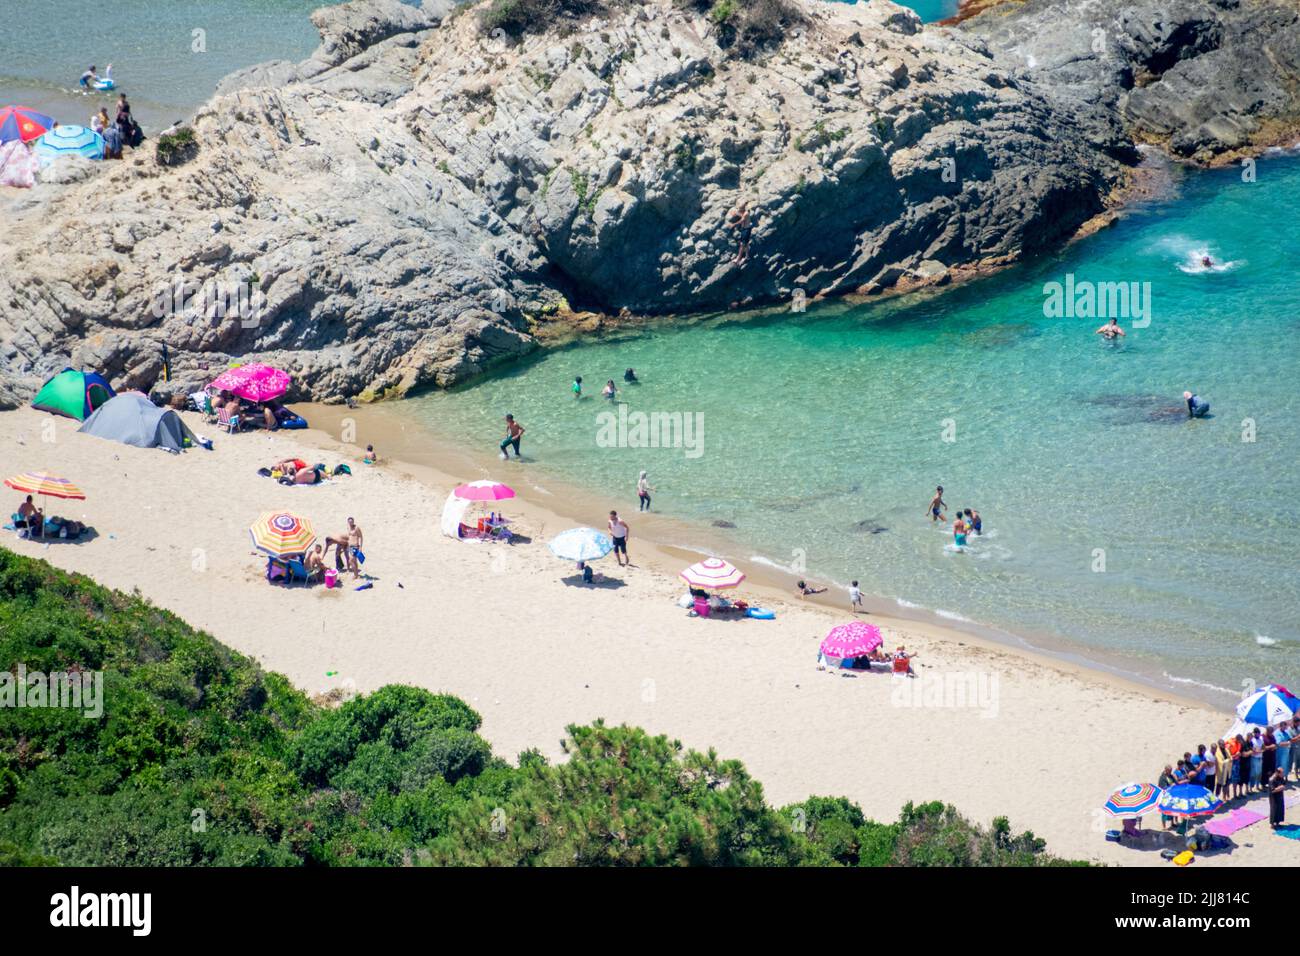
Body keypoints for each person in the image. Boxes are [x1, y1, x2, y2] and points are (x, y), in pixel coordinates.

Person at [726, 200, 753, 265]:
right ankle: (747, 256)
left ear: (743, 209)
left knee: (742, 245)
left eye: (740, 209)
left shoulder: (746, 213)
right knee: (746, 244)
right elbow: (741, 215)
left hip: (746, 230)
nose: (739, 210)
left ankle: (738, 259)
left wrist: (733, 224)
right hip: (745, 229)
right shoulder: (744, 212)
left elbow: (742, 220)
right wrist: (736, 213)